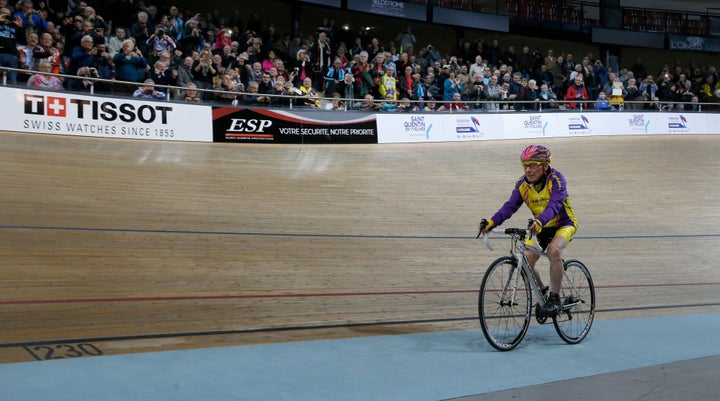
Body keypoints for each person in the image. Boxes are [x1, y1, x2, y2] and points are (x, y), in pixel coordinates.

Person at [479, 145, 578, 316]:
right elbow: (510, 206)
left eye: (532, 165)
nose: (528, 170)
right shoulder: (522, 185)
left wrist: (540, 220)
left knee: (553, 251)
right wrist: (492, 222)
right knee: (525, 262)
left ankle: (554, 297)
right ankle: (544, 291)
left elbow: (555, 205)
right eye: (525, 165)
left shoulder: (557, 180)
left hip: (563, 223)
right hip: (540, 227)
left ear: (545, 166)